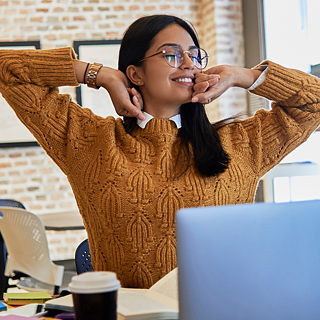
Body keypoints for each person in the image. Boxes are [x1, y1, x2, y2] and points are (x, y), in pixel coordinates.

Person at [1, 14, 320, 289]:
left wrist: (244, 76)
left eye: (195, 55)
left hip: (224, 308)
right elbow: (8, 70)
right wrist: (101, 74)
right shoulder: (89, 141)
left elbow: (314, 103)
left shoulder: (242, 143)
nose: (188, 64)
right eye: (171, 54)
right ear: (135, 73)